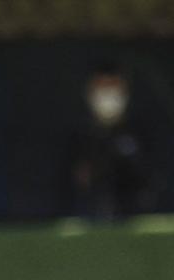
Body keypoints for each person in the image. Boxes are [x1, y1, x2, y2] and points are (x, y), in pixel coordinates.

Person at [66, 61, 155, 221]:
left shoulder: (142, 135)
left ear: (125, 91)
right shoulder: (76, 139)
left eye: (113, 86)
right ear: (89, 91)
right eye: (102, 87)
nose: (107, 94)